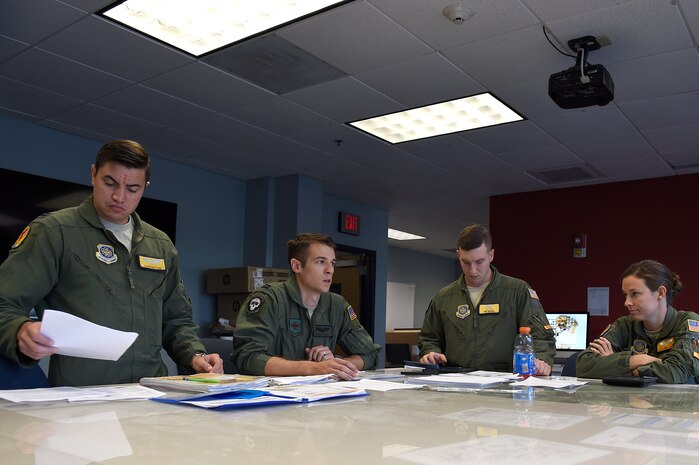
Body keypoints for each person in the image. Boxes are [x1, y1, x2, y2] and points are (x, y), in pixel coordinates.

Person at [0, 140, 222, 386]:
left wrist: (195, 355)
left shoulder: (159, 244)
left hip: (150, 391)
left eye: (133, 188)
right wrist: (19, 330)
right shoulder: (55, 232)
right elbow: (4, 304)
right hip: (82, 395)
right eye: (110, 183)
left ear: (145, 187)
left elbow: (176, 319)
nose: (119, 196)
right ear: (94, 174)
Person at [232, 233, 381, 380]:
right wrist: (314, 368)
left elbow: (370, 355)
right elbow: (248, 357)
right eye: (321, 262)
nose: (330, 270)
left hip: (321, 395)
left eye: (333, 263)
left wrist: (335, 365)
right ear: (297, 266)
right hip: (273, 396)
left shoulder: (337, 305)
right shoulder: (270, 299)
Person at [419, 224, 556, 374]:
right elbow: (429, 339)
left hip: (505, 379)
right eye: (465, 262)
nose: (473, 271)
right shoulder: (444, 297)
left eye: (479, 262)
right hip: (457, 379)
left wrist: (541, 360)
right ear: (458, 255)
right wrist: (430, 353)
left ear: (491, 255)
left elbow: (541, 336)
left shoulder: (517, 290)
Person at [576, 260, 699, 383]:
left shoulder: (688, 322)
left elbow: (676, 372)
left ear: (660, 293)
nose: (627, 302)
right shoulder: (624, 325)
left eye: (635, 294)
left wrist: (615, 364)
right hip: (631, 400)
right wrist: (640, 359)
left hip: (678, 401)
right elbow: (583, 365)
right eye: (626, 295)